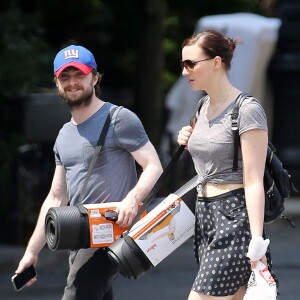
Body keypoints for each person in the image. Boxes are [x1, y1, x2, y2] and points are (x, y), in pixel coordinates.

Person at [15, 44, 163, 300]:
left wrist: (132, 198)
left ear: (94, 77)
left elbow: (153, 166)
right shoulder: (63, 135)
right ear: (57, 83)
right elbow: (56, 197)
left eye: (79, 75)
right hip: (80, 235)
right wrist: (32, 251)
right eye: (65, 77)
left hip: (112, 234)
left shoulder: (118, 118)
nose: (72, 82)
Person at [177, 30, 276, 299]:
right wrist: (188, 140)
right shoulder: (202, 106)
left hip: (234, 219)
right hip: (205, 216)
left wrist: (257, 241)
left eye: (191, 64)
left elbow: (253, 179)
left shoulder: (247, 110)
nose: (185, 72)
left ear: (216, 62)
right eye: (183, 65)